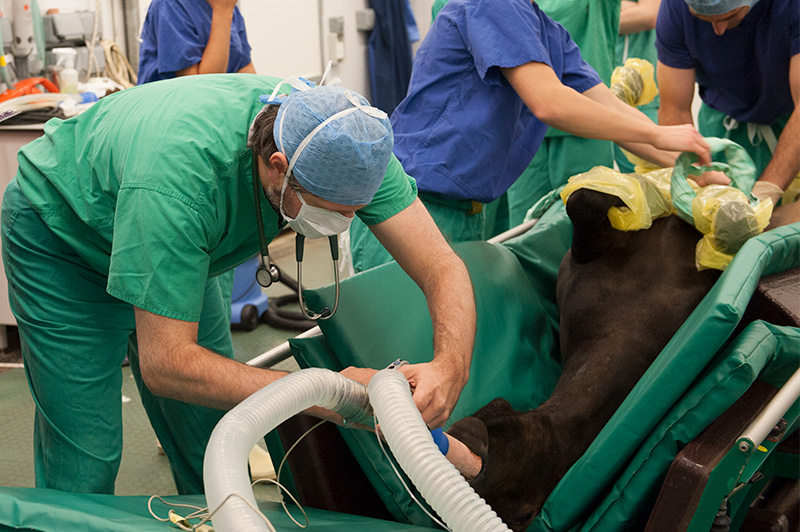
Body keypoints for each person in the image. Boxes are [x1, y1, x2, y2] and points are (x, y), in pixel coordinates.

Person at [1, 74, 476, 494]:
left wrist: (449, 367)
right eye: (330, 208)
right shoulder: (180, 182)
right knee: (87, 454)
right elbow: (168, 364)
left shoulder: (350, 145)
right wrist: (330, 395)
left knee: (210, 437)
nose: (344, 223)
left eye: (355, 210)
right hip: (64, 238)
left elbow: (442, 267)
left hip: (183, 244)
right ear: (277, 165)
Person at [350, 0, 712, 272]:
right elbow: (549, 103)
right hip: (414, 205)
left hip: (461, 212)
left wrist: (693, 172)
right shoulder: (494, 4)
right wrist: (658, 134)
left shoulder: (546, 32)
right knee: (398, 360)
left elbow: (611, 111)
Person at [656, 0, 800, 205]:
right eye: (704, 20)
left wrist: (767, 189)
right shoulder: (675, 8)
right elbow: (674, 110)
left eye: (728, 17)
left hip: (791, 125)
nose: (719, 30)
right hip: (721, 122)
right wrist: (699, 174)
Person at [137, 0, 255, 84]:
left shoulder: (227, 6)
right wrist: (222, 13)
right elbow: (201, 88)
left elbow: (246, 70)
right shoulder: (170, 5)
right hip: (175, 110)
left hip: (216, 105)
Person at [615, 0, 662, 173]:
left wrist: (596, 17)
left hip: (638, 97)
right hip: (583, 93)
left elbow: (650, 15)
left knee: (651, 179)